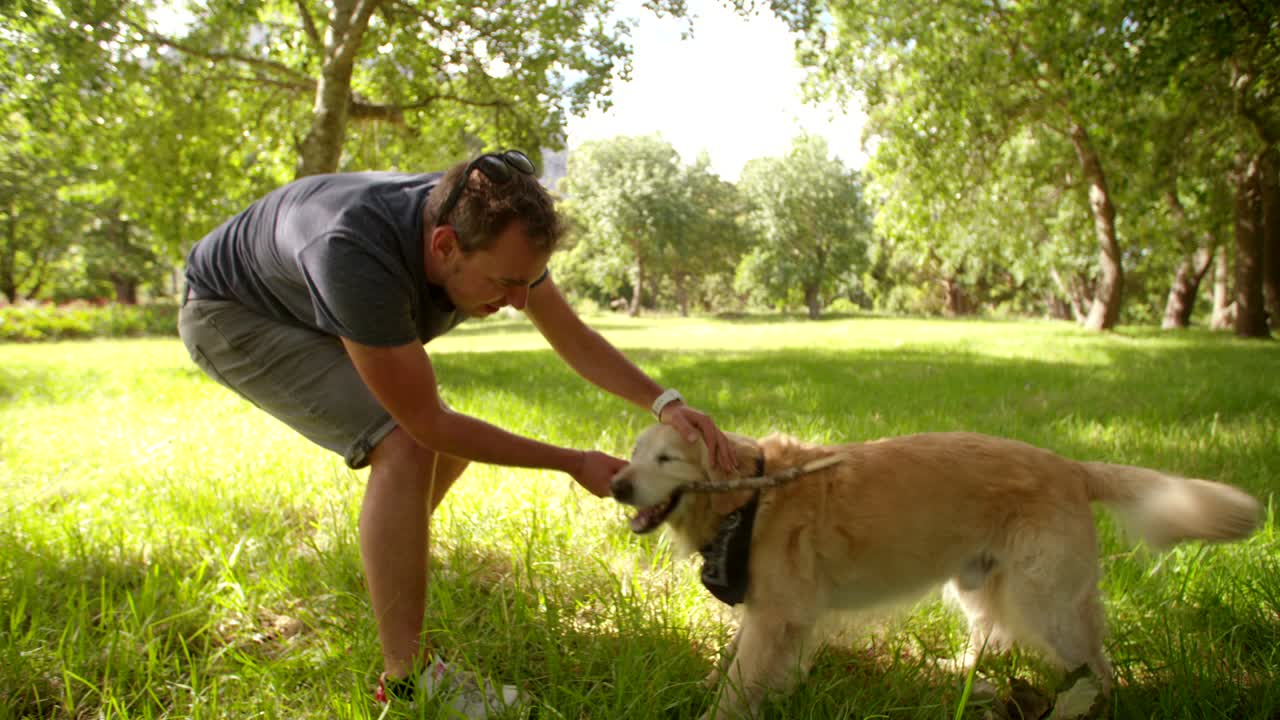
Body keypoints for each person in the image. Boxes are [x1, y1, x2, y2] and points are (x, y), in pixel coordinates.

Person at [177, 149, 736, 716]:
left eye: (528, 282)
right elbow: (429, 425)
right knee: (407, 444)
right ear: (444, 246)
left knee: (442, 453)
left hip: (302, 296)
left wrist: (665, 404)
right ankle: (409, 681)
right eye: (506, 284)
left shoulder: (491, 227)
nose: (519, 302)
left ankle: (388, 568)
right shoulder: (353, 253)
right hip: (232, 314)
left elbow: (572, 337)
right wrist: (571, 461)